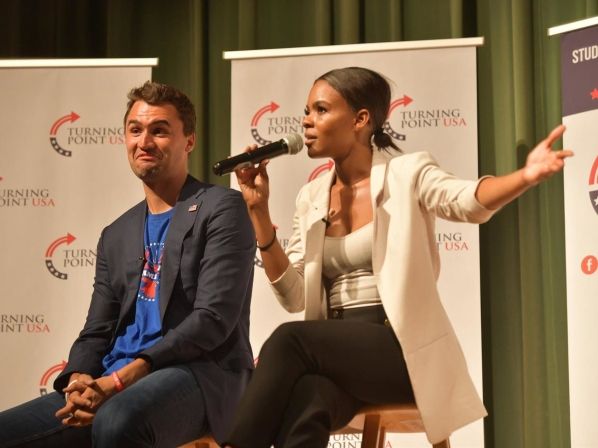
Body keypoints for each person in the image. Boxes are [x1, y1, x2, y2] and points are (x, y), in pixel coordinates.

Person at [224, 66, 573, 448]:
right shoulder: (311, 197)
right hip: (338, 356)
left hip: (401, 352)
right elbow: (294, 297)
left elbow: (468, 202)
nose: (306, 121)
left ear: (361, 119)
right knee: (308, 398)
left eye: (321, 110)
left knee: (288, 341)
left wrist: (525, 176)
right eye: (307, 111)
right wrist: (258, 212)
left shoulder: (407, 173)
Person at [0, 81, 256, 448]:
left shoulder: (221, 208)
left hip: (199, 374)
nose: (144, 142)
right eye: (135, 130)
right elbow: (96, 331)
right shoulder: (116, 233)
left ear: (189, 141)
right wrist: (79, 379)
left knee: (117, 419)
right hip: (112, 379)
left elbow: (212, 319)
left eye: (159, 131)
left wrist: (126, 377)